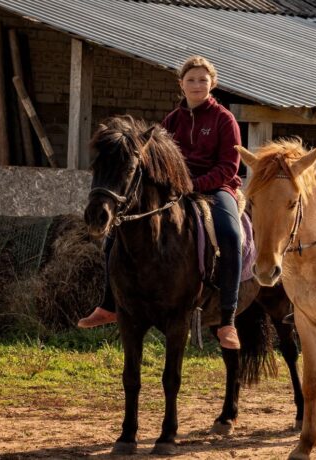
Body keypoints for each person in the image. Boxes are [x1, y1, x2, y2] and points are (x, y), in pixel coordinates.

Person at [78, 56, 244, 349]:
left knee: (230, 235)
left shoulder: (224, 119)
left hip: (217, 189)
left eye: (203, 80)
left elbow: (229, 167)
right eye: (191, 80)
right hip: (177, 191)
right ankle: (108, 305)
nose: (197, 84)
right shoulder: (171, 121)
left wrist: (196, 185)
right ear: (181, 84)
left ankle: (228, 320)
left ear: (212, 84)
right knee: (114, 235)